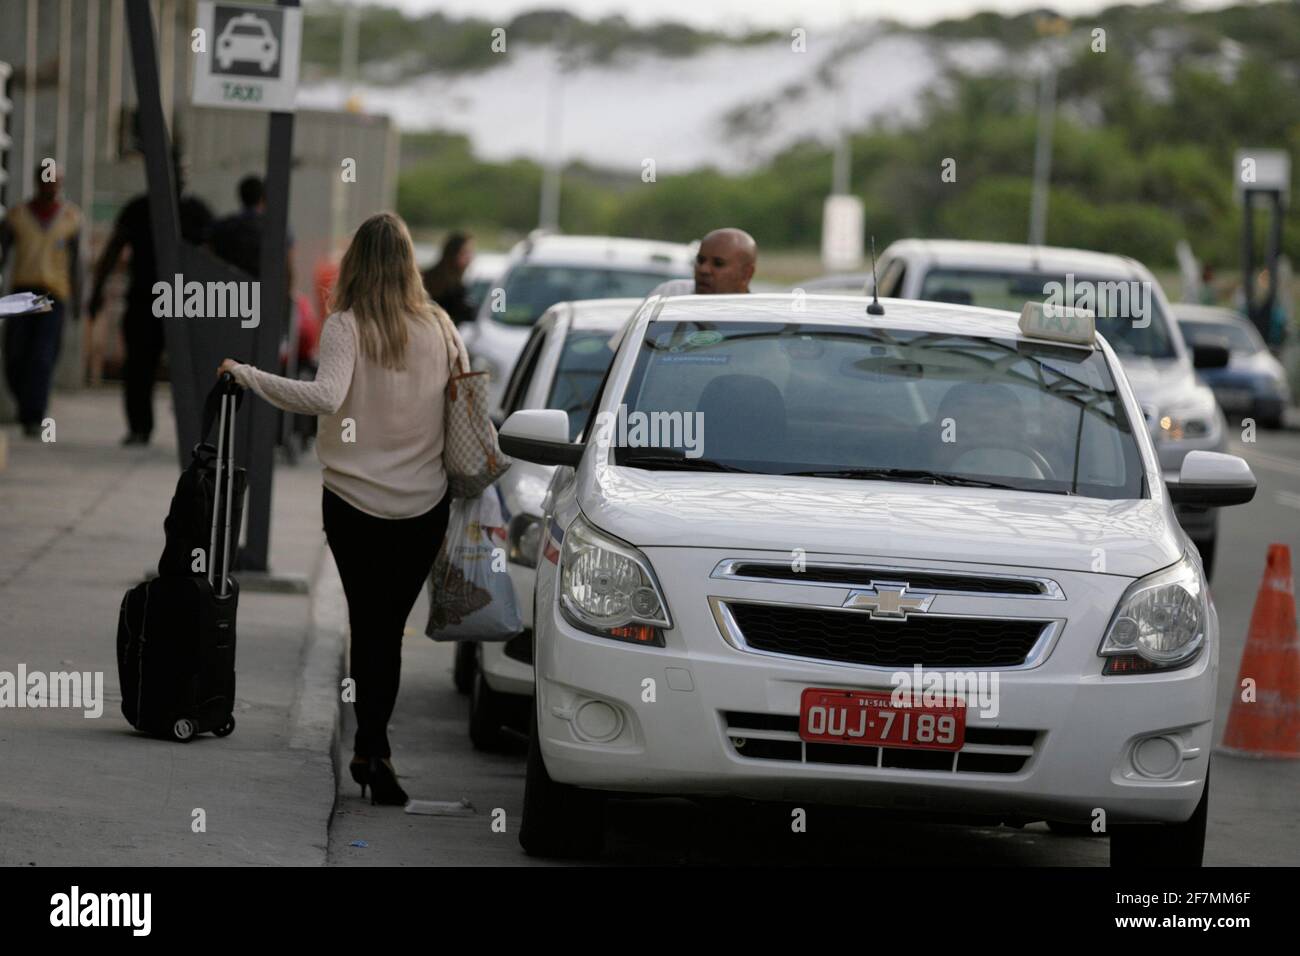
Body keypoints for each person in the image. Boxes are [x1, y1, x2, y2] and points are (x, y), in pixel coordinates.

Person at [218, 212, 456, 807]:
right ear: (408, 265)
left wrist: (248, 376)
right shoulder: (442, 327)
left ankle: (370, 748)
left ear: (355, 264)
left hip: (353, 502)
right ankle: (375, 749)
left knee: (366, 624)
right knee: (390, 632)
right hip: (423, 505)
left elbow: (324, 396)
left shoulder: (347, 325)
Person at [86, 150, 214, 445]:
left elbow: (213, 259)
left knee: (192, 370)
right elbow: (112, 251)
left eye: (183, 174)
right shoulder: (139, 209)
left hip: (186, 303)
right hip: (146, 301)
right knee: (138, 367)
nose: (180, 180)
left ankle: (193, 428)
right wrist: (96, 293)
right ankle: (140, 427)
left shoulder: (196, 211)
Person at [0, 163, 82, 437]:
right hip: (22, 293)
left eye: (56, 181)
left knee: (42, 356)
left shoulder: (70, 217)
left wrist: (79, 301)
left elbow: (76, 265)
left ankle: (34, 414)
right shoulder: (17, 216)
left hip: (52, 295)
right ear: (37, 181)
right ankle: (25, 402)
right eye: (47, 180)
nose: (51, 185)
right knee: (15, 354)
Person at [650, 227, 757, 297]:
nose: (703, 269)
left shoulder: (759, 318)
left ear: (746, 273)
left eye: (718, 263)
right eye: (700, 260)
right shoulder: (669, 295)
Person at [421, 231, 475, 325]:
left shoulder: (425, 276)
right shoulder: (454, 289)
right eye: (466, 252)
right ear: (454, 254)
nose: (471, 257)